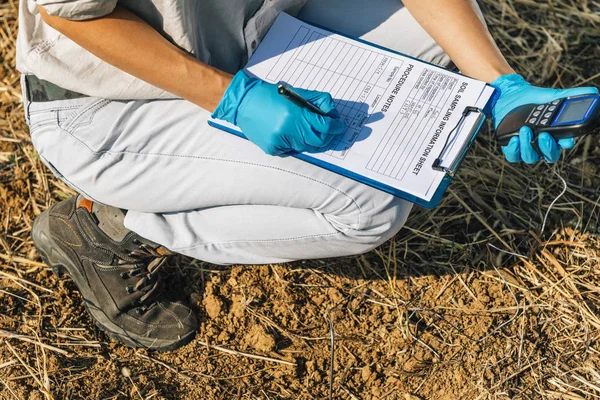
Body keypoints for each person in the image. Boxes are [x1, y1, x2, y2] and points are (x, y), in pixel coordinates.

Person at [17, 0, 597, 351]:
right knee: (367, 206)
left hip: (258, 32)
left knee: (435, 42)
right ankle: (113, 229)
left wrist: (497, 83)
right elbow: (75, 15)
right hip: (115, 102)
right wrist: (233, 99)